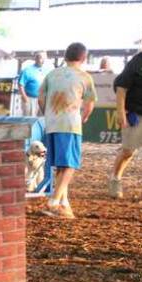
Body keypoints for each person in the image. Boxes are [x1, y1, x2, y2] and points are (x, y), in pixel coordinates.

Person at [38, 42, 97, 219]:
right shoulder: (85, 77)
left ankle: (64, 203)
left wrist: (48, 114)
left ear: (65, 56)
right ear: (84, 58)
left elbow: (41, 99)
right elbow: (90, 103)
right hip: (70, 124)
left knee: (61, 166)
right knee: (70, 165)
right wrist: (84, 117)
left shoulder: (52, 74)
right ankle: (54, 202)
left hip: (52, 123)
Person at [107, 29, 142, 199]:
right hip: (137, 114)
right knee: (128, 151)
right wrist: (121, 114)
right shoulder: (136, 62)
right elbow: (121, 88)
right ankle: (115, 178)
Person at [18, 51, 47, 117]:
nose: (43, 61)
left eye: (44, 59)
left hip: (41, 100)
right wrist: (25, 98)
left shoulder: (45, 70)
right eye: (41, 58)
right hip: (30, 99)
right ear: (36, 58)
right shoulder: (27, 70)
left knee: (40, 120)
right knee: (29, 121)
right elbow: (20, 85)